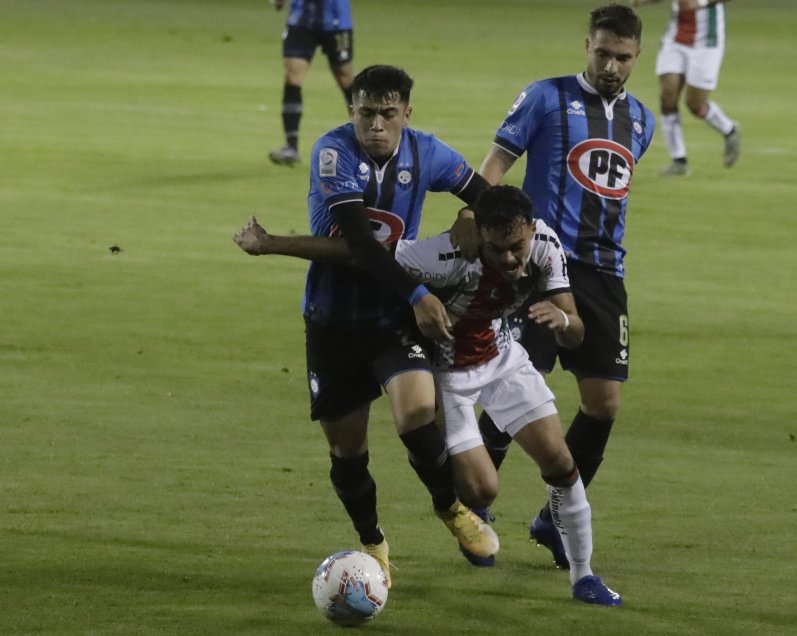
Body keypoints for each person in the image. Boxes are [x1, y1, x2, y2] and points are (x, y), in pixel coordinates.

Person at [236, 185, 623, 606]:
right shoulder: (443, 257)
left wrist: (563, 319)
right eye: (497, 250)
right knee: (482, 490)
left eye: (517, 246)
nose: (509, 259)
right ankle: (453, 495)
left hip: (503, 360)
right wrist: (271, 243)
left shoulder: (547, 247)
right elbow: (358, 252)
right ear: (480, 239)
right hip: (448, 376)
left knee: (561, 463)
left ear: (531, 229)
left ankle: (584, 577)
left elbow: (575, 333)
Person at [236, 64, 499, 583]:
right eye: (366, 113)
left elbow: (489, 198)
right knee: (347, 450)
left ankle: (450, 508)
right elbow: (359, 243)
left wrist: (471, 216)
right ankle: (372, 541)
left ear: (406, 113)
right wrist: (420, 292)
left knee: (418, 414)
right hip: (333, 319)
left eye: (388, 113)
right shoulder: (333, 153)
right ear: (350, 111)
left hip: (389, 318)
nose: (376, 124)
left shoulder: (430, 153)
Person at [454, 4, 655, 570]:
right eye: (602, 52)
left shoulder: (642, 120)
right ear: (586, 45)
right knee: (517, 381)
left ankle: (555, 519)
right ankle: (476, 510)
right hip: (539, 263)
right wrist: (482, 229)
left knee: (604, 401)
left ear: (637, 56)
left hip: (604, 271)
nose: (611, 65)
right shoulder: (545, 97)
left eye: (622, 56)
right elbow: (495, 164)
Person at [631, 0, 740, 175]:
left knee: (695, 105)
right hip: (675, 39)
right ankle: (679, 159)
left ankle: (729, 129)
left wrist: (701, 2)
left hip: (707, 42)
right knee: (668, 95)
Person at [268, 0, 355, 166]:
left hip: (336, 22)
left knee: (345, 77)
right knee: (293, 75)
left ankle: (368, 139)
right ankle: (291, 146)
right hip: (301, 21)